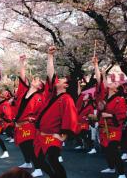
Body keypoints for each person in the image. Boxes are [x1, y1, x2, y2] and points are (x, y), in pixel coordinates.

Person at [33, 46, 78, 178]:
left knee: (52, 160)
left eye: (63, 79)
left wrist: (63, 136)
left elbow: (70, 118)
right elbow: (50, 74)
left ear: (66, 85)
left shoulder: (67, 99)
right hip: (41, 135)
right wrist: (50, 56)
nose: (59, 79)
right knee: (40, 161)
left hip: (53, 136)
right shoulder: (52, 95)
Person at [92, 57, 127, 178]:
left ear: (116, 90)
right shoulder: (105, 96)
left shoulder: (120, 100)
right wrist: (96, 65)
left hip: (113, 129)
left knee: (113, 149)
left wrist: (110, 115)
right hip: (103, 128)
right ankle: (111, 167)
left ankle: (122, 173)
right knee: (106, 149)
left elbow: (122, 115)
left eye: (116, 83)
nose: (113, 82)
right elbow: (100, 80)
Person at [13, 55, 44, 177]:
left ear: (39, 87)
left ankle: (38, 168)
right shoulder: (23, 91)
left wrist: (34, 119)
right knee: (22, 144)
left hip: (29, 124)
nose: (35, 80)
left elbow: (40, 113)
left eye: (38, 80)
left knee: (30, 146)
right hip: (19, 124)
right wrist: (21, 62)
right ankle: (27, 162)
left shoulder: (39, 98)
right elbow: (22, 76)